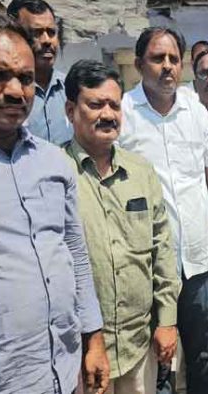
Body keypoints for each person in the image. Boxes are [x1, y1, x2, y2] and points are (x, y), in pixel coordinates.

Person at [0, 12, 108, 393]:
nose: (15, 90)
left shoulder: (53, 162)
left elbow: (74, 254)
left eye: (26, 79)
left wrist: (93, 338)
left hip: (61, 374)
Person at [119, 27, 208, 393]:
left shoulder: (196, 112)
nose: (168, 67)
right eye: (158, 58)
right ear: (140, 64)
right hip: (149, 265)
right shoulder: (124, 113)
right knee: (155, 361)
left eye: (174, 59)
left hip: (199, 262)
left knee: (201, 356)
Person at [63, 60, 180, 394]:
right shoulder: (55, 172)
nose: (108, 114)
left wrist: (167, 320)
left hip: (137, 344)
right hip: (80, 349)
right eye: (95, 104)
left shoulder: (141, 171)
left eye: (114, 105)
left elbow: (162, 249)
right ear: (71, 109)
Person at [7, 0, 70, 145]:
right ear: (15, 35)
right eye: (36, 32)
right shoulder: (7, 92)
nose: (47, 40)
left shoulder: (72, 87)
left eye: (51, 32)